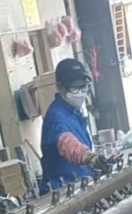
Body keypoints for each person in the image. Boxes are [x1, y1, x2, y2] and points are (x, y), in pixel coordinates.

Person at [40, 58, 105, 192]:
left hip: (81, 184)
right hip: (63, 191)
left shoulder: (74, 112)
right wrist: (89, 157)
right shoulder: (56, 117)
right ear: (59, 86)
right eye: (74, 88)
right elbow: (67, 143)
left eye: (83, 87)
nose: (80, 93)